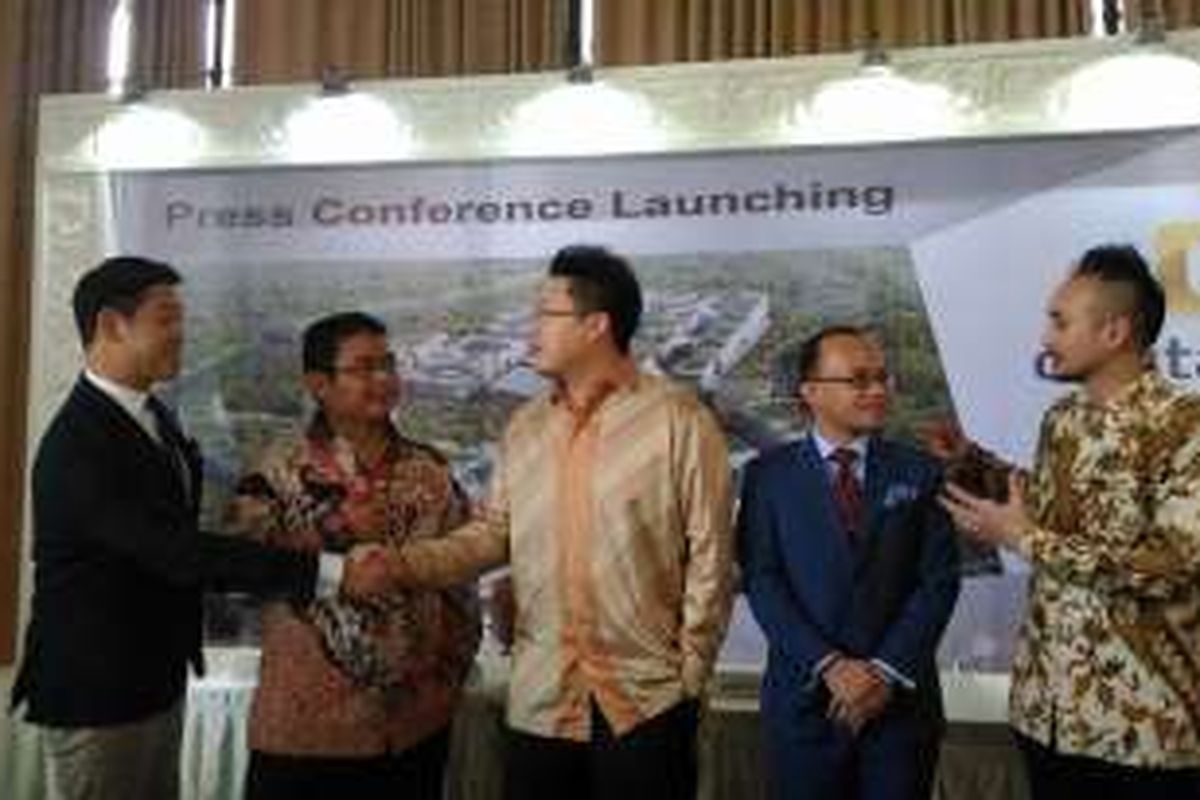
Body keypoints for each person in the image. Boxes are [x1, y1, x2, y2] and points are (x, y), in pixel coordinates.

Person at [360, 244, 735, 800]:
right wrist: (403, 564)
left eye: (545, 314)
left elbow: (712, 554)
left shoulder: (678, 419)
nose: (530, 328)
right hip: (543, 699)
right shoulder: (526, 427)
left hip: (645, 701)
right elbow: (491, 534)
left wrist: (690, 674)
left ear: (596, 326)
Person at [9, 256, 386, 800]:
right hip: (99, 691)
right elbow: (176, 551)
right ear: (112, 326)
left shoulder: (151, 415)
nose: (182, 333)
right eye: (166, 319)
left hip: (150, 679)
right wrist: (332, 572)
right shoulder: (79, 446)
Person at [938, 244, 1200, 799]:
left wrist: (1022, 538)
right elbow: (1055, 511)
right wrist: (972, 461)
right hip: (1047, 714)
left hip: (1144, 728)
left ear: (1114, 332)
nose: (1044, 339)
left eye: (1059, 322)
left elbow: (1171, 567)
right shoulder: (1063, 418)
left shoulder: (1185, 426)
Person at [229, 311, 480, 800]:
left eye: (389, 364)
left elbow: (461, 583)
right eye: (364, 367)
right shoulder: (277, 470)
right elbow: (242, 567)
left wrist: (448, 676)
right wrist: (332, 531)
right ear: (319, 383)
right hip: (306, 731)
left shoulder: (429, 470)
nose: (384, 378)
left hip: (412, 729)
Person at [737, 325, 960, 800]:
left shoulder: (919, 471)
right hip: (803, 706)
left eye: (883, 377)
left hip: (899, 709)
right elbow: (762, 580)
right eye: (858, 379)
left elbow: (938, 583)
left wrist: (882, 671)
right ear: (810, 391)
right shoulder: (766, 477)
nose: (877, 390)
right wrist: (831, 666)